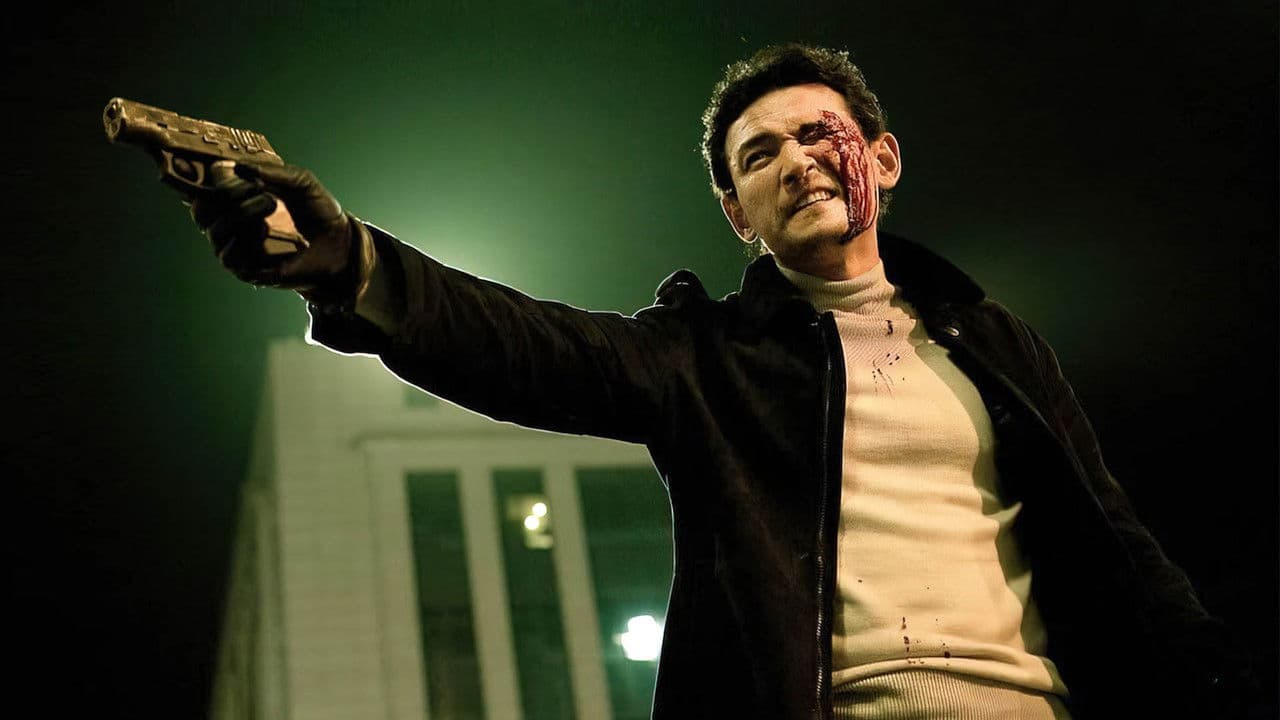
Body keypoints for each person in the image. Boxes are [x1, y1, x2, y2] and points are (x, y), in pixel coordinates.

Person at [188, 43, 1253, 719]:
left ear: (880, 159)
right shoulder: (704, 357)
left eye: (817, 133)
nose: (796, 160)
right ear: (739, 215)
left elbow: (1117, 542)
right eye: (758, 155)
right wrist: (348, 262)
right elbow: (527, 346)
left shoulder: (996, 343)